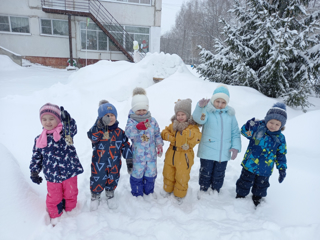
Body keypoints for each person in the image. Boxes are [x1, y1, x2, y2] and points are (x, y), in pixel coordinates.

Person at [30, 103, 83, 226]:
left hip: (69, 172)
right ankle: (55, 216)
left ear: (58, 119)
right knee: (54, 197)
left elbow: (72, 129)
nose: (48, 122)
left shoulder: (65, 134)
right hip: (52, 175)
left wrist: (68, 121)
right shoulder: (39, 139)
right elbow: (36, 156)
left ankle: (71, 212)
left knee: (71, 193)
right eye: (44, 119)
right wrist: (34, 171)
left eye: (51, 119)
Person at [192, 84, 241, 199]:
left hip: (223, 152)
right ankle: (203, 189)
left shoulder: (230, 115)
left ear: (227, 103)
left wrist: (236, 147)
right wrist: (200, 107)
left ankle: (216, 189)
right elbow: (199, 119)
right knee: (206, 172)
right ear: (213, 100)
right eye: (217, 101)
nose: (220, 104)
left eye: (223, 102)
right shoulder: (207, 111)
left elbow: (235, 132)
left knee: (219, 173)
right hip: (207, 149)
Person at [235, 102, 287, 207]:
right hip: (250, 164)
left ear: (281, 126)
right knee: (244, 181)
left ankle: (257, 198)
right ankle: (240, 195)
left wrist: (282, 168)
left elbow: (281, 154)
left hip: (266, 168)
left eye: (277, 124)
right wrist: (248, 126)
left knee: (261, 185)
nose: (273, 126)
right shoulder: (258, 129)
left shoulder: (280, 138)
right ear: (267, 120)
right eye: (271, 122)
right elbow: (244, 132)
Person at [87, 100, 132, 211]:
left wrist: (129, 159)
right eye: (106, 116)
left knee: (113, 177)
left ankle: (110, 191)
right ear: (100, 118)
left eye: (112, 115)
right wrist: (99, 126)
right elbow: (92, 137)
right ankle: (95, 194)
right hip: (99, 162)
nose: (110, 118)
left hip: (114, 162)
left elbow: (125, 145)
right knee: (97, 178)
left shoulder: (120, 132)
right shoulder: (98, 131)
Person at [161, 99, 202, 203]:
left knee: (182, 176)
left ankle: (180, 193)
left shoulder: (192, 127)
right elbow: (164, 132)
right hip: (171, 154)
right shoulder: (173, 125)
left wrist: (189, 134)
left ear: (188, 115)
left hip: (184, 156)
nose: (180, 117)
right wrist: (168, 136)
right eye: (178, 114)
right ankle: (167, 189)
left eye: (183, 114)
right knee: (168, 173)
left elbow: (197, 137)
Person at [125, 87, 163, 197]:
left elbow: (156, 134)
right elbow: (128, 133)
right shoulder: (131, 120)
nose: (141, 112)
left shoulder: (152, 120)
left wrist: (159, 144)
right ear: (133, 109)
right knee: (137, 174)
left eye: (144, 109)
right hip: (138, 156)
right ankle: (137, 193)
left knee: (150, 174)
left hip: (151, 155)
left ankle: (149, 192)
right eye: (138, 110)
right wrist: (137, 127)